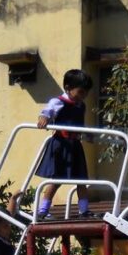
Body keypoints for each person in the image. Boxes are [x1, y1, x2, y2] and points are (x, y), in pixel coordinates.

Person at [35, 69, 94, 220]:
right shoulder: (58, 102)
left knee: (81, 180)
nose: (83, 96)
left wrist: (87, 134)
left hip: (75, 145)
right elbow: (47, 111)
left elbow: (79, 125)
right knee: (56, 180)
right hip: (61, 145)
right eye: (80, 92)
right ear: (68, 88)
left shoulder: (81, 105)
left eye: (85, 93)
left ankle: (84, 210)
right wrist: (44, 117)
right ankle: (43, 210)